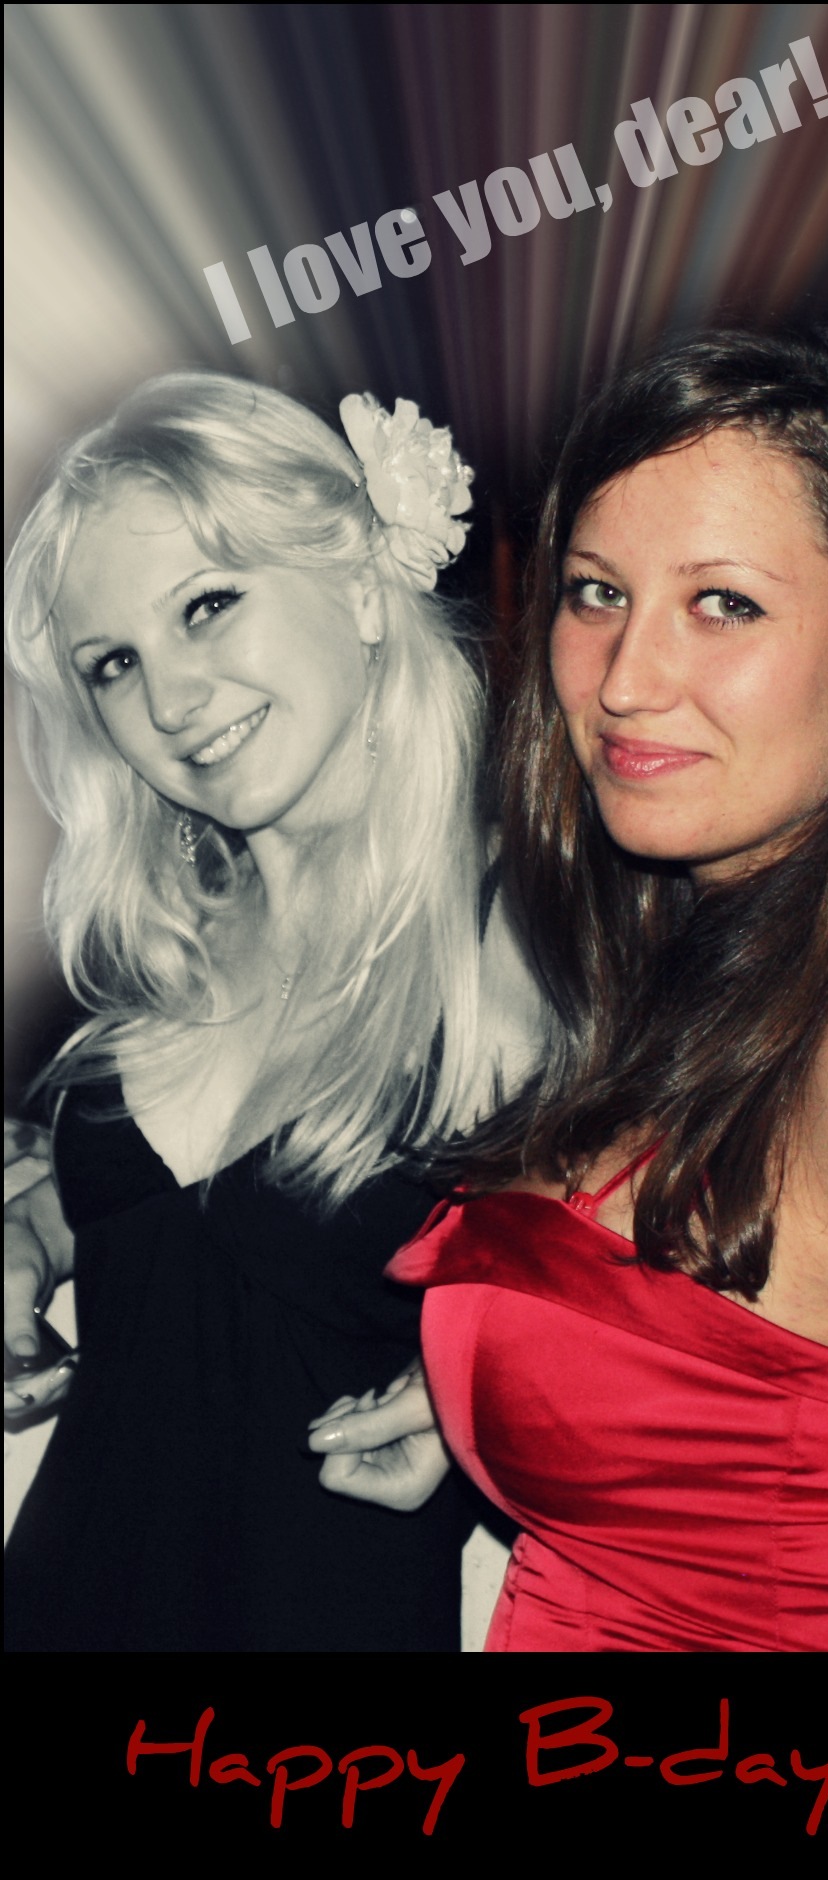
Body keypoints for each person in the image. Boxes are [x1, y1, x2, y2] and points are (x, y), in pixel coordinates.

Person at [311, 326, 828, 1653]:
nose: (625, 682)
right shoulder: (694, 979)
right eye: (596, 593)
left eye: (724, 604)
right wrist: (492, 1393)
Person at [3, 372, 541, 1651]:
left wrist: (499, 1392)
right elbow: (181, 1230)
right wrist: (32, 1234)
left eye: (207, 605)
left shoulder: (524, 943)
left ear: (358, 582)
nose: (170, 702)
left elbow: (726, 1313)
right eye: (114, 665)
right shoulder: (171, 945)